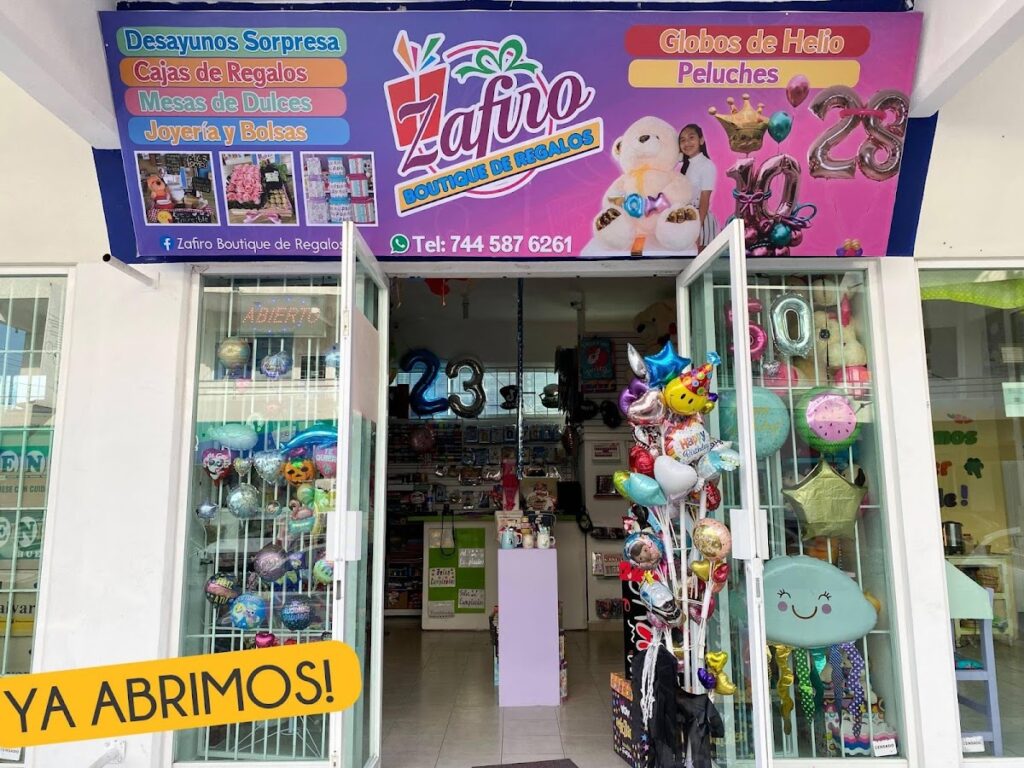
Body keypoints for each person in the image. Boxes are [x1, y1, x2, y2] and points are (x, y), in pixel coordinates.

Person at [678, 124, 719, 251]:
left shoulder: (707, 165)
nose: (687, 143)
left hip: (701, 220)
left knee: (702, 260)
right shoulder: (687, 166)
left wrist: (696, 229)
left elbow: (704, 200)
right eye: (683, 140)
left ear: (701, 140)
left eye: (691, 138)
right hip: (689, 219)